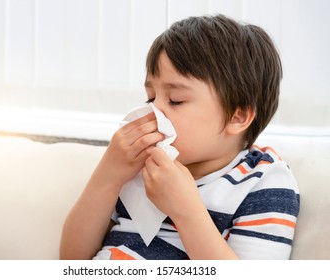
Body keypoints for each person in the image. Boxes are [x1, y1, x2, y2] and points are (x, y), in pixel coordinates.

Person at [60, 14, 300, 260]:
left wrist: (186, 211)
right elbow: (72, 260)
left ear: (237, 117)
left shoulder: (262, 180)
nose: (156, 111)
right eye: (151, 98)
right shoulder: (137, 167)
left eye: (176, 100)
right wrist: (107, 177)